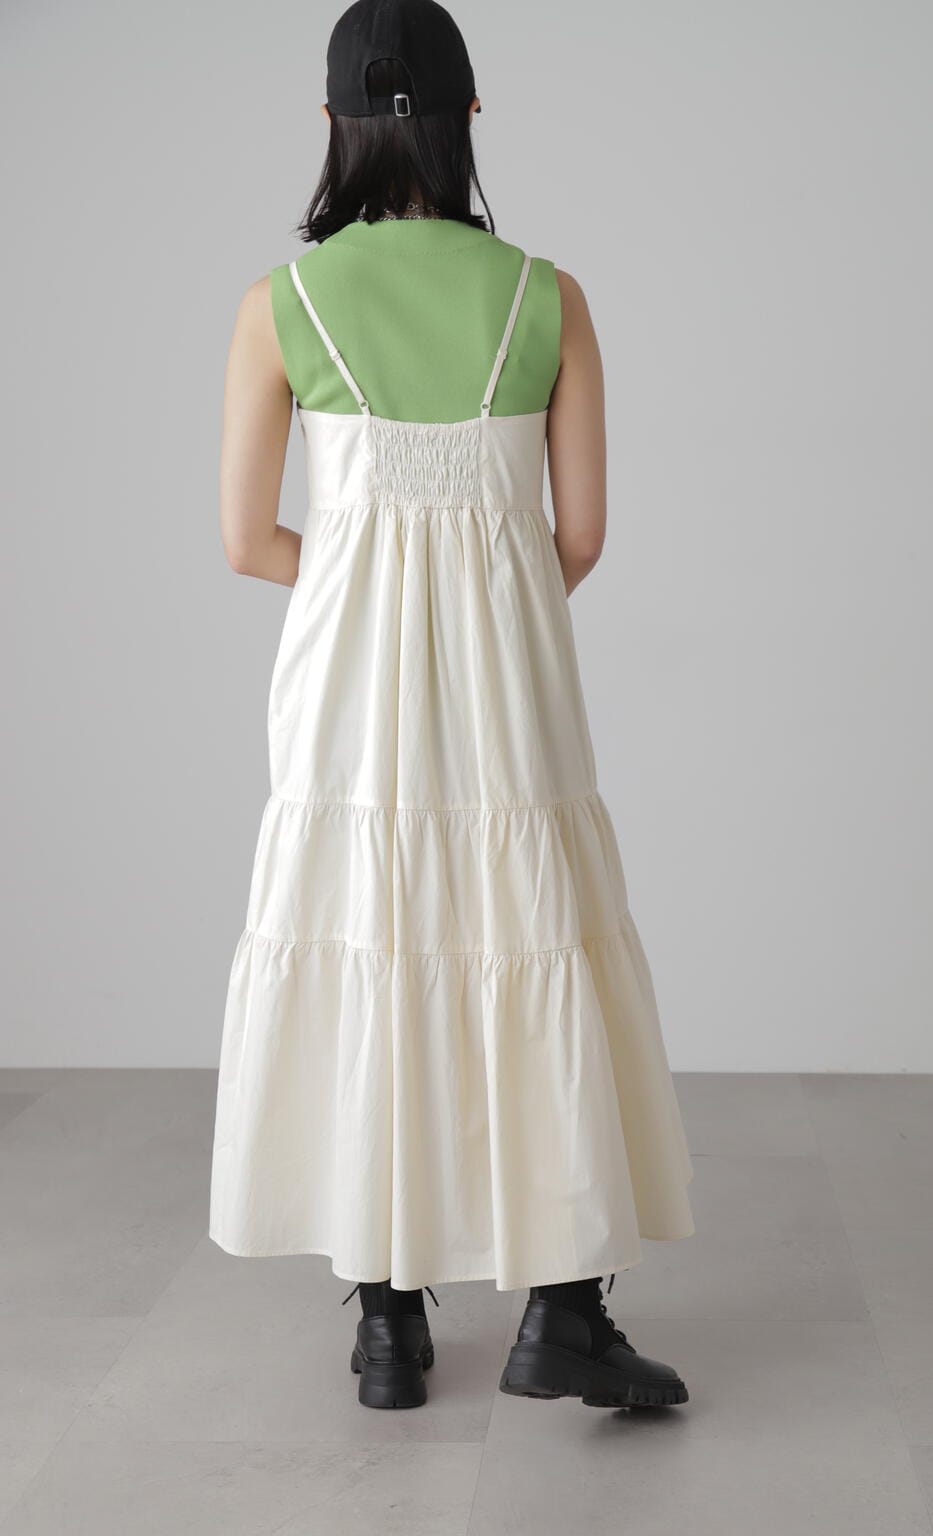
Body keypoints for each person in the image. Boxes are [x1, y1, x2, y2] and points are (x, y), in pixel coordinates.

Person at [208, 0, 694, 1411]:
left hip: (343, 693)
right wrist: (482, 606)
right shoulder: (549, 297)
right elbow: (579, 534)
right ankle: (562, 1313)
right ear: (472, 115)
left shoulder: (279, 306)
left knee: (374, 938)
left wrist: (368, 585)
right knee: (528, 937)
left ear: (332, 123)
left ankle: (386, 1326)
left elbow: (245, 541)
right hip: (511, 685)